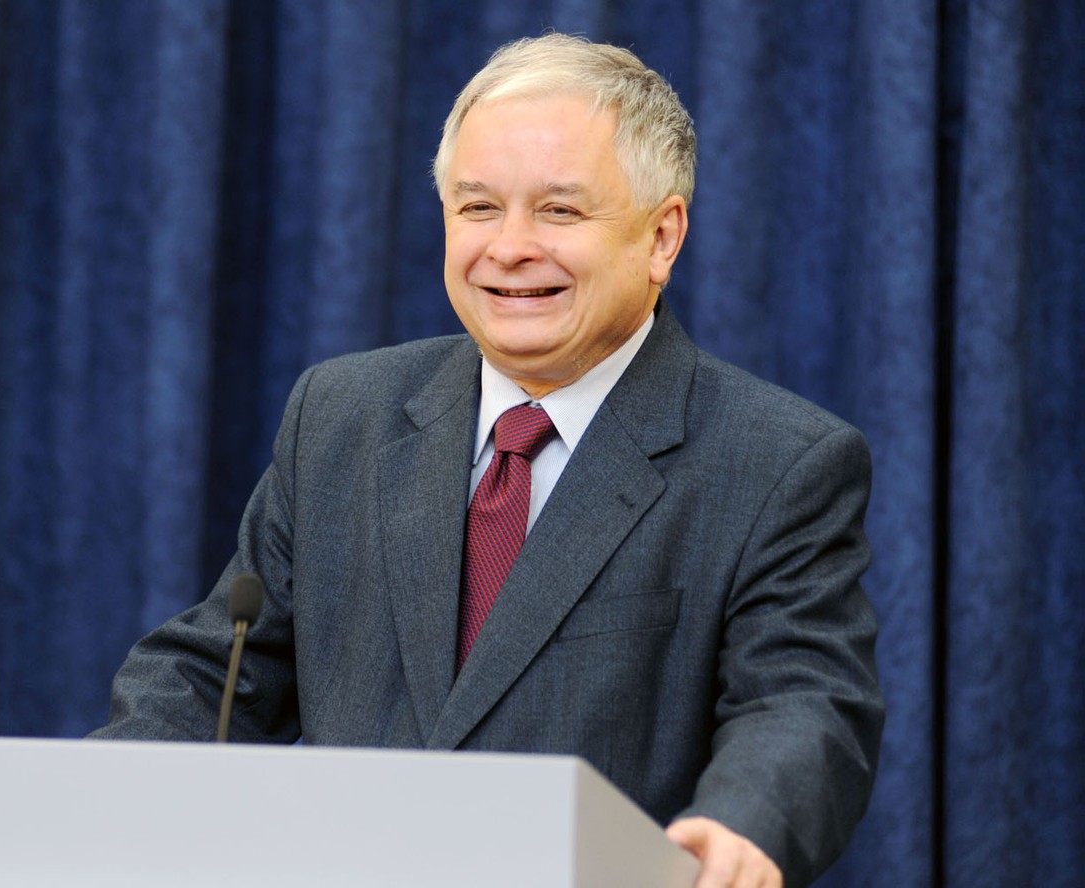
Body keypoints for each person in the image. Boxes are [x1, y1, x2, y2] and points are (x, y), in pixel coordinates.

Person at [93, 33, 884, 888]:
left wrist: (740, 825)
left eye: (559, 212)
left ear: (662, 237)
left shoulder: (778, 463)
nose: (508, 248)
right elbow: (220, 672)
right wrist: (94, 804)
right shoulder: (340, 416)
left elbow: (802, 704)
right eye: (477, 208)